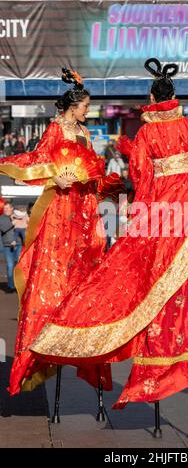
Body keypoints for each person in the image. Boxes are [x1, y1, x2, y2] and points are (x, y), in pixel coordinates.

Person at [30, 58, 188, 410]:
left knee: (142, 273)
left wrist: (143, 191)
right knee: (179, 287)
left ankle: (98, 334)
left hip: (159, 206)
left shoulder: (146, 132)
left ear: (153, 97)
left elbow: (141, 173)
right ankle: (174, 363)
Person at [0, 68, 117, 396]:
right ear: (72, 105)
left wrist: (98, 183)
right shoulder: (55, 129)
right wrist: (56, 177)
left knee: (86, 273)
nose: (87, 111)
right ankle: (43, 342)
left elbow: (91, 165)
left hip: (84, 206)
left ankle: (81, 341)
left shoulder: (85, 131)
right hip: (62, 205)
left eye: (88, 106)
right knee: (51, 272)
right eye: (84, 106)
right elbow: (40, 160)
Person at [0, 202, 22, 293]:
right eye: (4, 208)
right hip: (7, 246)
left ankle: (18, 286)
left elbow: (23, 228)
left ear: (12, 208)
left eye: (7, 208)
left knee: (19, 266)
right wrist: (13, 222)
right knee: (10, 266)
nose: (6, 210)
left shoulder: (19, 216)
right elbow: (4, 228)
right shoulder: (1, 218)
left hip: (19, 244)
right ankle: (10, 286)